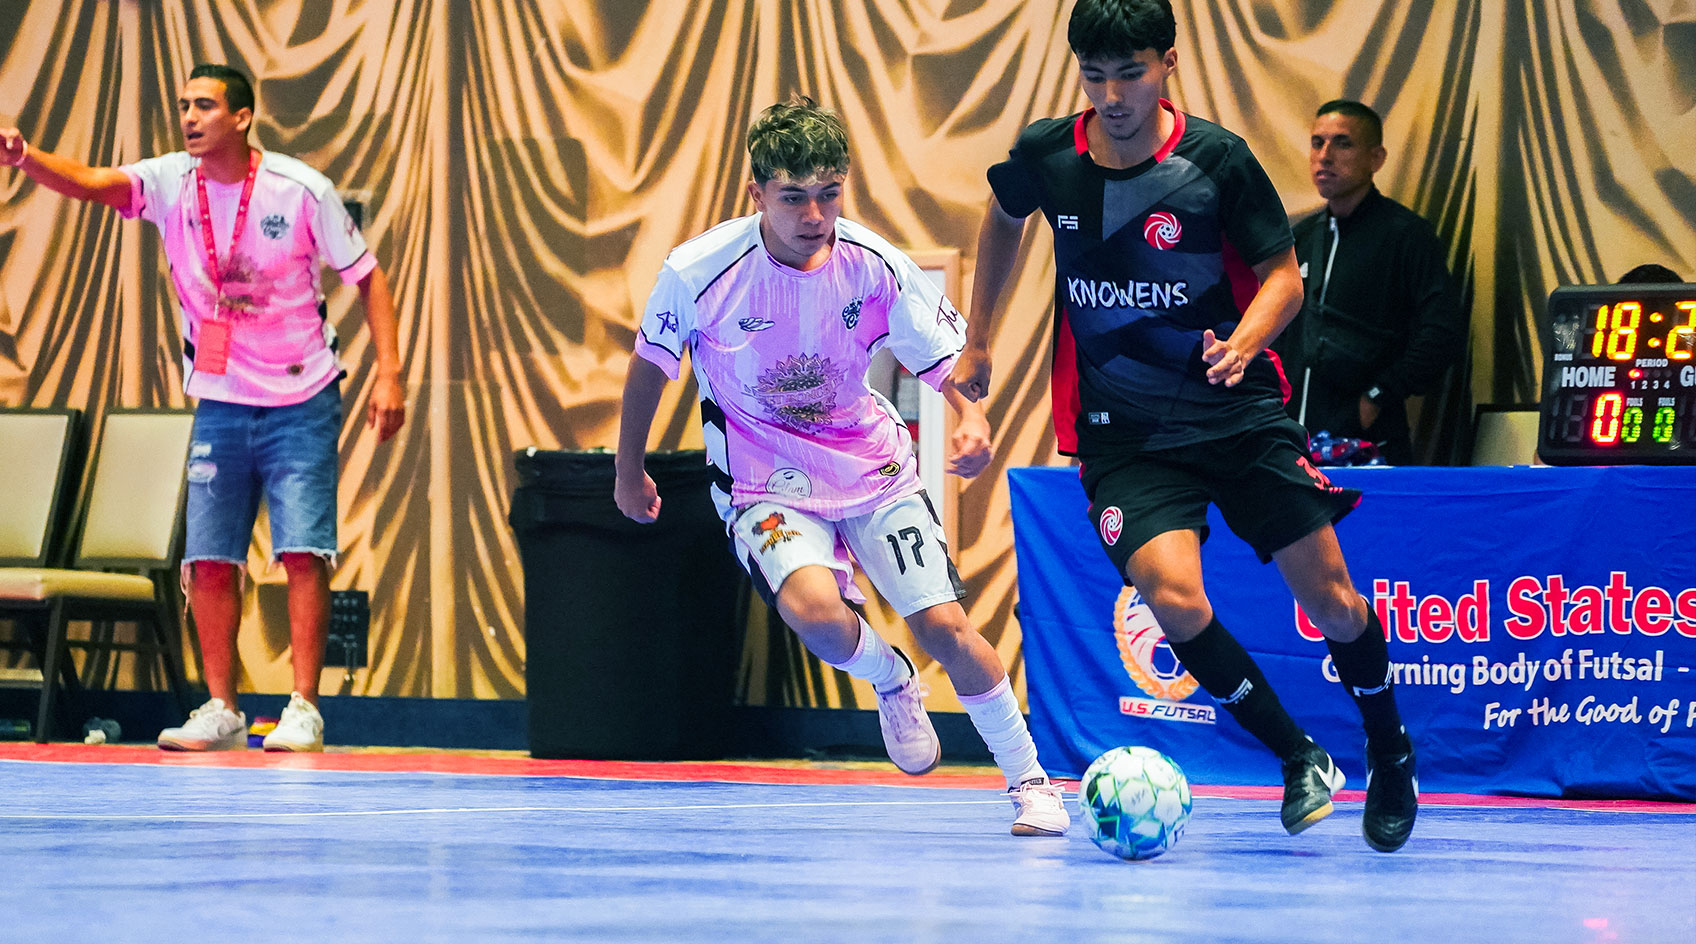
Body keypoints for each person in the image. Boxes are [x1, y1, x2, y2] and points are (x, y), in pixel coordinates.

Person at [954, 0, 1417, 851]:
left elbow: (1283, 276)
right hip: (1121, 434)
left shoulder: (1216, 162)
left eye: (1129, 73)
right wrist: (979, 338)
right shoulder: (1047, 154)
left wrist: (1244, 342)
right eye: (1095, 76)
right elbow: (1004, 217)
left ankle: (1389, 751)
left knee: (1335, 603)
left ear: (1167, 62)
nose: (1113, 94)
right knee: (1172, 597)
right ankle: (1297, 756)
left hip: (1238, 414)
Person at [614, 98, 1069, 836]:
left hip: (871, 469)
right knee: (818, 616)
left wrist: (974, 420)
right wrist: (627, 470)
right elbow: (647, 369)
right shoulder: (697, 272)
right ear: (756, 192)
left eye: (829, 193)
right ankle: (892, 681)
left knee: (947, 626)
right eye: (794, 196)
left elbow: (945, 362)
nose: (815, 214)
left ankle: (1031, 784)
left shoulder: (875, 263)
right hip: (764, 480)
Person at [0, 64, 407, 753]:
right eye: (184, 106)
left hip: (301, 395)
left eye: (205, 105)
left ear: (242, 117)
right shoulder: (171, 180)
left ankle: (303, 707)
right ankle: (222, 706)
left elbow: (368, 276)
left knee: (301, 551)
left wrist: (392, 375)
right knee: (208, 558)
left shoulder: (300, 191)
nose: (190, 117)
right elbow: (90, 182)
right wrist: (27, 160)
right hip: (221, 399)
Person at [1273, 100, 1465, 465]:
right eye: (1317, 143)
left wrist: (1376, 399)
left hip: (1370, 450)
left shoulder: (1406, 237)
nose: (1325, 156)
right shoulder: (1299, 239)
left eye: (1342, 143)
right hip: (1292, 451)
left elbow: (1441, 334)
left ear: (1376, 158)